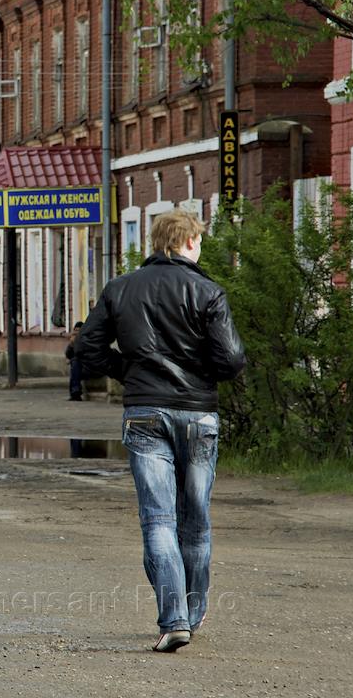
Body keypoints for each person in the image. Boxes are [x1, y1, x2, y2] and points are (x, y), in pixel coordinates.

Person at [76, 210, 244, 653]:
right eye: (200, 240)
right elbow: (231, 361)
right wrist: (195, 374)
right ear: (188, 241)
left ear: (156, 243)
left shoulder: (120, 288)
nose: (201, 246)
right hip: (198, 415)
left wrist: (129, 371)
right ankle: (194, 609)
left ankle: (174, 620)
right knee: (197, 520)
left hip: (145, 410)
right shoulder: (208, 291)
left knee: (158, 519)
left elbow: (86, 348)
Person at [65, 321, 85, 401]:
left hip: (89, 366)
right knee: (74, 364)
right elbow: (68, 355)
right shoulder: (73, 340)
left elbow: (83, 354)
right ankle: (74, 392)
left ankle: (75, 392)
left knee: (75, 362)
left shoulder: (87, 339)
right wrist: (71, 344)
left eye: (78, 330)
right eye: (75, 330)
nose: (77, 333)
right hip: (78, 366)